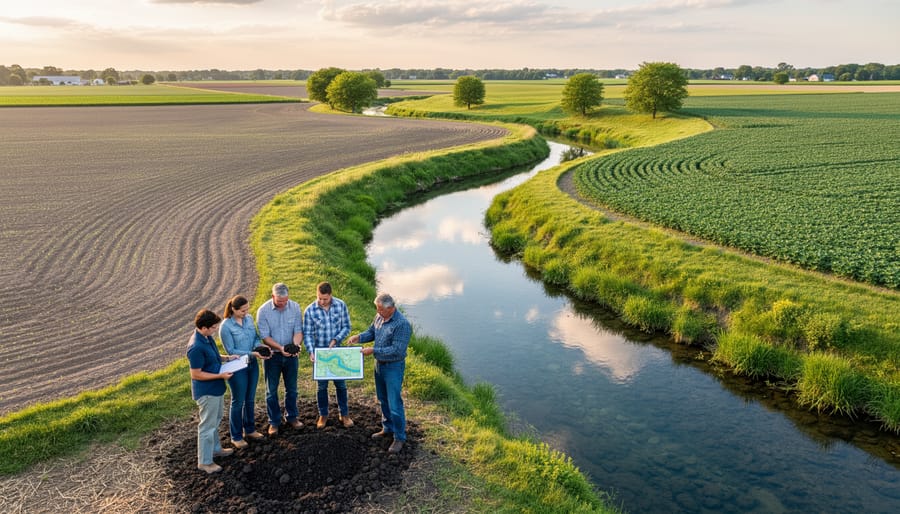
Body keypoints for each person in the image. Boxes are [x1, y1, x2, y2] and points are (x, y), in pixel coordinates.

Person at [347, 293, 411, 454]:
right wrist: (359, 337)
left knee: (394, 403)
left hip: (393, 367)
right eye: (378, 309)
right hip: (379, 366)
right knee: (383, 399)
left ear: (391, 309)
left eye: (381, 310)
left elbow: (397, 350)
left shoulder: (402, 325)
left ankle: (399, 437)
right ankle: (387, 427)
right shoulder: (380, 316)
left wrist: (373, 350)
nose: (378, 312)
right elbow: (372, 332)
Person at [187, 308, 239, 474]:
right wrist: (221, 375)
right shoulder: (195, 347)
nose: (216, 330)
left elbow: (213, 357)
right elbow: (196, 374)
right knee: (207, 427)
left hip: (216, 389)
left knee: (215, 421)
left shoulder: (206, 338)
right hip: (207, 392)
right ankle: (205, 462)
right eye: (214, 327)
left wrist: (227, 358)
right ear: (204, 327)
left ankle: (216, 449)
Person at [220, 295, 270, 448]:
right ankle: (236, 435)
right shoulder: (226, 327)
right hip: (237, 367)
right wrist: (251, 353)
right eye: (242, 311)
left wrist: (260, 348)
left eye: (247, 309)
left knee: (250, 399)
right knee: (238, 401)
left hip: (252, 365)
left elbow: (255, 338)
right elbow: (231, 350)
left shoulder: (248, 320)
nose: (246, 313)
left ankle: (250, 429)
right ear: (234, 310)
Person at [303, 281, 354, 430]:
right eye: (319, 298)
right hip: (320, 354)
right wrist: (311, 352)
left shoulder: (340, 305)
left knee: (341, 385)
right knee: (322, 387)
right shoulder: (310, 310)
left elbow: (347, 326)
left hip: (336, 352)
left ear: (330, 295)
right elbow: (307, 334)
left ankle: (344, 414)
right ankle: (323, 414)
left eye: (325, 298)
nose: (321, 301)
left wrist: (336, 339)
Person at [257, 282, 304, 435]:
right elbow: (265, 336)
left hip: (291, 357)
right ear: (273, 297)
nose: (283, 304)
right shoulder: (263, 311)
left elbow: (298, 330)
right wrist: (280, 348)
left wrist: (295, 346)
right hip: (272, 356)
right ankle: (274, 421)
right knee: (271, 391)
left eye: (285, 301)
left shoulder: (295, 307)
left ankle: (292, 417)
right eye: (279, 302)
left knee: (292, 389)